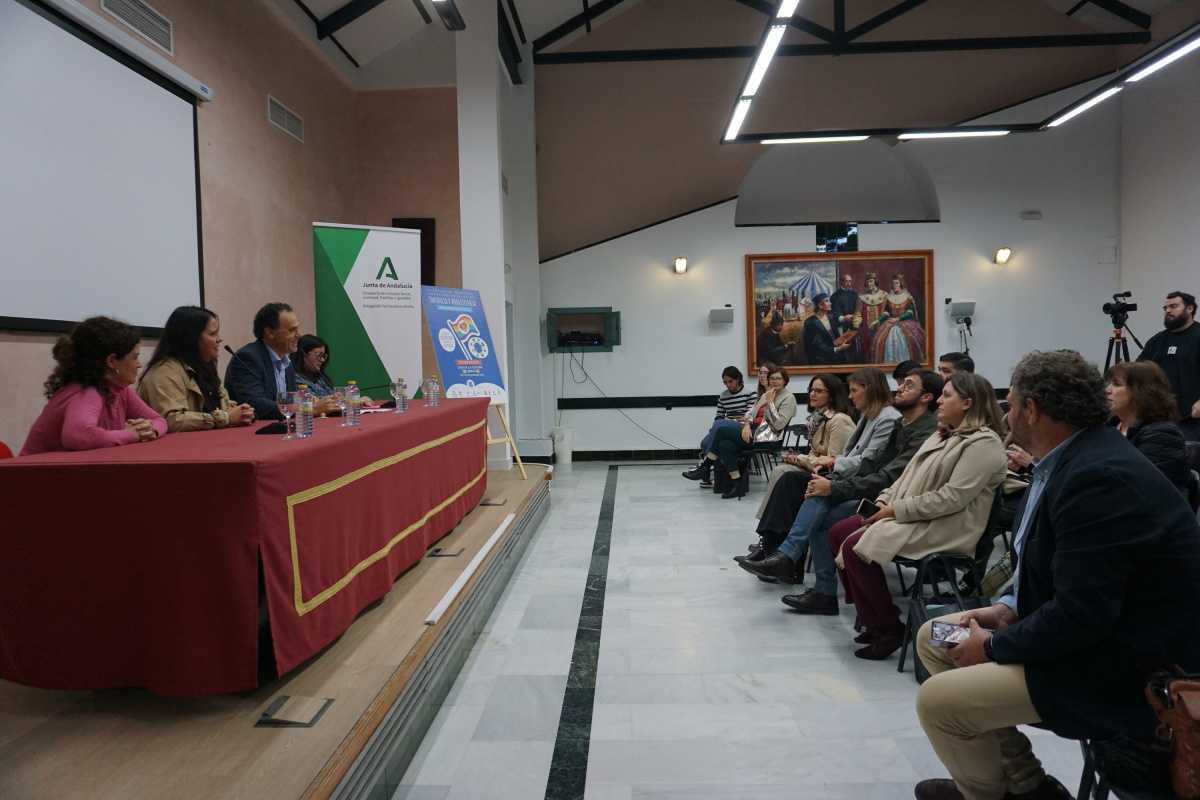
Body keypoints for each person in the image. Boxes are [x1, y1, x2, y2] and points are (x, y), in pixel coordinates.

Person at [911, 350, 1200, 800]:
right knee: (936, 636)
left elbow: (1083, 615)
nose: (1007, 414)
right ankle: (1026, 785)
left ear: (1032, 409)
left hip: (1123, 670)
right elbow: (1063, 577)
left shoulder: (1098, 476)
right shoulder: (1072, 460)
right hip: (1090, 637)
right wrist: (1005, 609)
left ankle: (988, 794)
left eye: (1012, 403)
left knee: (939, 703)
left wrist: (993, 645)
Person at [830, 372, 1007, 660]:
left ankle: (888, 627)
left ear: (967, 403)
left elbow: (951, 498)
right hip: (916, 514)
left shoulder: (984, 444)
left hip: (946, 526)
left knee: (855, 548)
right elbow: (906, 477)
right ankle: (870, 615)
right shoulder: (943, 434)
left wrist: (895, 510)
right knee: (839, 532)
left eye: (946, 395)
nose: (940, 401)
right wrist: (883, 500)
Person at [740, 371, 943, 605]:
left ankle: (796, 565)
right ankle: (785, 556)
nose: (899, 389)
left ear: (927, 397)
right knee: (800, 485)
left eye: (854, 390)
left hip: (890, 499)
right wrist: (830, 476)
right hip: (872, 486)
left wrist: (834, 483)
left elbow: (887, 475)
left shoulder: (907, 426)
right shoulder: (899, 423)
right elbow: (873, 462)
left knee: (814, 498)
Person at [743, 367, 900, 572]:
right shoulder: (863, 415)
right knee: (787, 478)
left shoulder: (873, 418)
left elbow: (866, 460)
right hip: (841, 472)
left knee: (794, 480)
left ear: (869, 389)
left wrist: (826, 462)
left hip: (858, 480)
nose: (850, 396)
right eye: (811, 390)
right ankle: (774, 549)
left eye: (854, 390)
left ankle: (781, 554)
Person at [21, 316, 167, 455]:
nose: (139, 365)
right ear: (112, 361)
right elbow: (78, 436)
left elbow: (159, 420)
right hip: (33, 471)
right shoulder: (87, 392)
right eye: (135, 357)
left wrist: (149, 430)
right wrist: (132, 434)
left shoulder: (119, 390)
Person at [138, 306, 255, 432]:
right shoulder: (163, 373)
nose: (219, 339)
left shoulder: (205, 366)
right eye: (212, 334)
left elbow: (221, 406)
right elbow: (172, 420)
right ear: (191, 338)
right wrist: (225, 418)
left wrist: (241, 411)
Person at [749, 374, 855, 507]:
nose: (812, 394)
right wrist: (748, 422)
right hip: (812, 465)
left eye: (818, 391)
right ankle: (770, 518)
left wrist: (799, 458)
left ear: (832, 395)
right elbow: (752, 415)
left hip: (829, 476)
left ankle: (771, 518)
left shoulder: (839, 420)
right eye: (811, 390)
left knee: (782, 472)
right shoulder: (817, 417)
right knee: (779, 470)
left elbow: (832, 463)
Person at [225, 302, 336, 420]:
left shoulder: (287, 363)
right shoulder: (248, 358)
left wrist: (312, 401)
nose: (298, 335)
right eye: (292, 330)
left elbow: (289, 401)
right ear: (270, 332)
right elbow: (255, 404)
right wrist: (310, 409)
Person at [704, 366, 796, 499]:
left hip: (770, 438)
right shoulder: (766, 394)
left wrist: (770, 403)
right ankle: (737, 484)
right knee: (725, 444)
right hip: (755, 432)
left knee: (721, 427)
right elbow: (750, 413)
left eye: (778, 378)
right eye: (772, 378)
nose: (774, 381)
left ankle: (706, 465)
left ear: (785, 381)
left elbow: (778, 425)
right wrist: (747, 424)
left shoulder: (788, 398)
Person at [1105, 360, 1190, 491]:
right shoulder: (1106, 427)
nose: (1107, 390)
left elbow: (1143, 485)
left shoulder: (1163, 435)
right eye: (1109, 384)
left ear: (1141, 391)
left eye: (1116, 384)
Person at [1138, 290, 1200, 441]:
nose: (1168, 311)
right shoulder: (1157, 340)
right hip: (1160, 418)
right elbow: (1140, 371)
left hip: (1192, 419)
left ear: (1190, 308)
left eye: (1173, 306)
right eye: (1165, 308)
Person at [683, 366, 758, 484]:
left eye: (730, 381)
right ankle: (708, 470)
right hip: (726, 426)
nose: (728, 385)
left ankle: (704, 468)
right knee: (705, 442)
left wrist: (731, 421)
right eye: (725, 382)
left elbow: (750, 416)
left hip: (744, 428)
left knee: (719, 426)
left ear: (738, 379)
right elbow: (719, 416)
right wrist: (719, 425)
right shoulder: (723, 396)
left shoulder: (750, 393)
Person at [871, 273, 927, 364]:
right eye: (893, 283)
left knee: (910, 339)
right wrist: (878, 320)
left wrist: (898, 319)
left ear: (901, 283)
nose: (895, 285)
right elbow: (887, 312)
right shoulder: (889, 297)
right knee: (880, 340)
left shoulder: (908, 296)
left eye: (897, 283)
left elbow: (910, 312)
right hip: (890, 322)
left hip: (905, 322)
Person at [802, 293, 851, 364]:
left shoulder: (830, 317)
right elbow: (817, 346)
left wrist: (845, 318)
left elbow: (839, 318)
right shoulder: (811, 323)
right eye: (827, 301)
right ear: (820, 305)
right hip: (822, 359)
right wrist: (837, 349)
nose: (830, 303)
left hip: (836, 354)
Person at [830, 272, 859, 339]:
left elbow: (858, 308)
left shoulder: (854, 294)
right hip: (841, 325)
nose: (849, 284)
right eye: (847, 281)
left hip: (853, 324)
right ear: (841, 282)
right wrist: (843, 318)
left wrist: (855, 316)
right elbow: (833, 312)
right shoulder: (835, 296)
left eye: (850, 281)